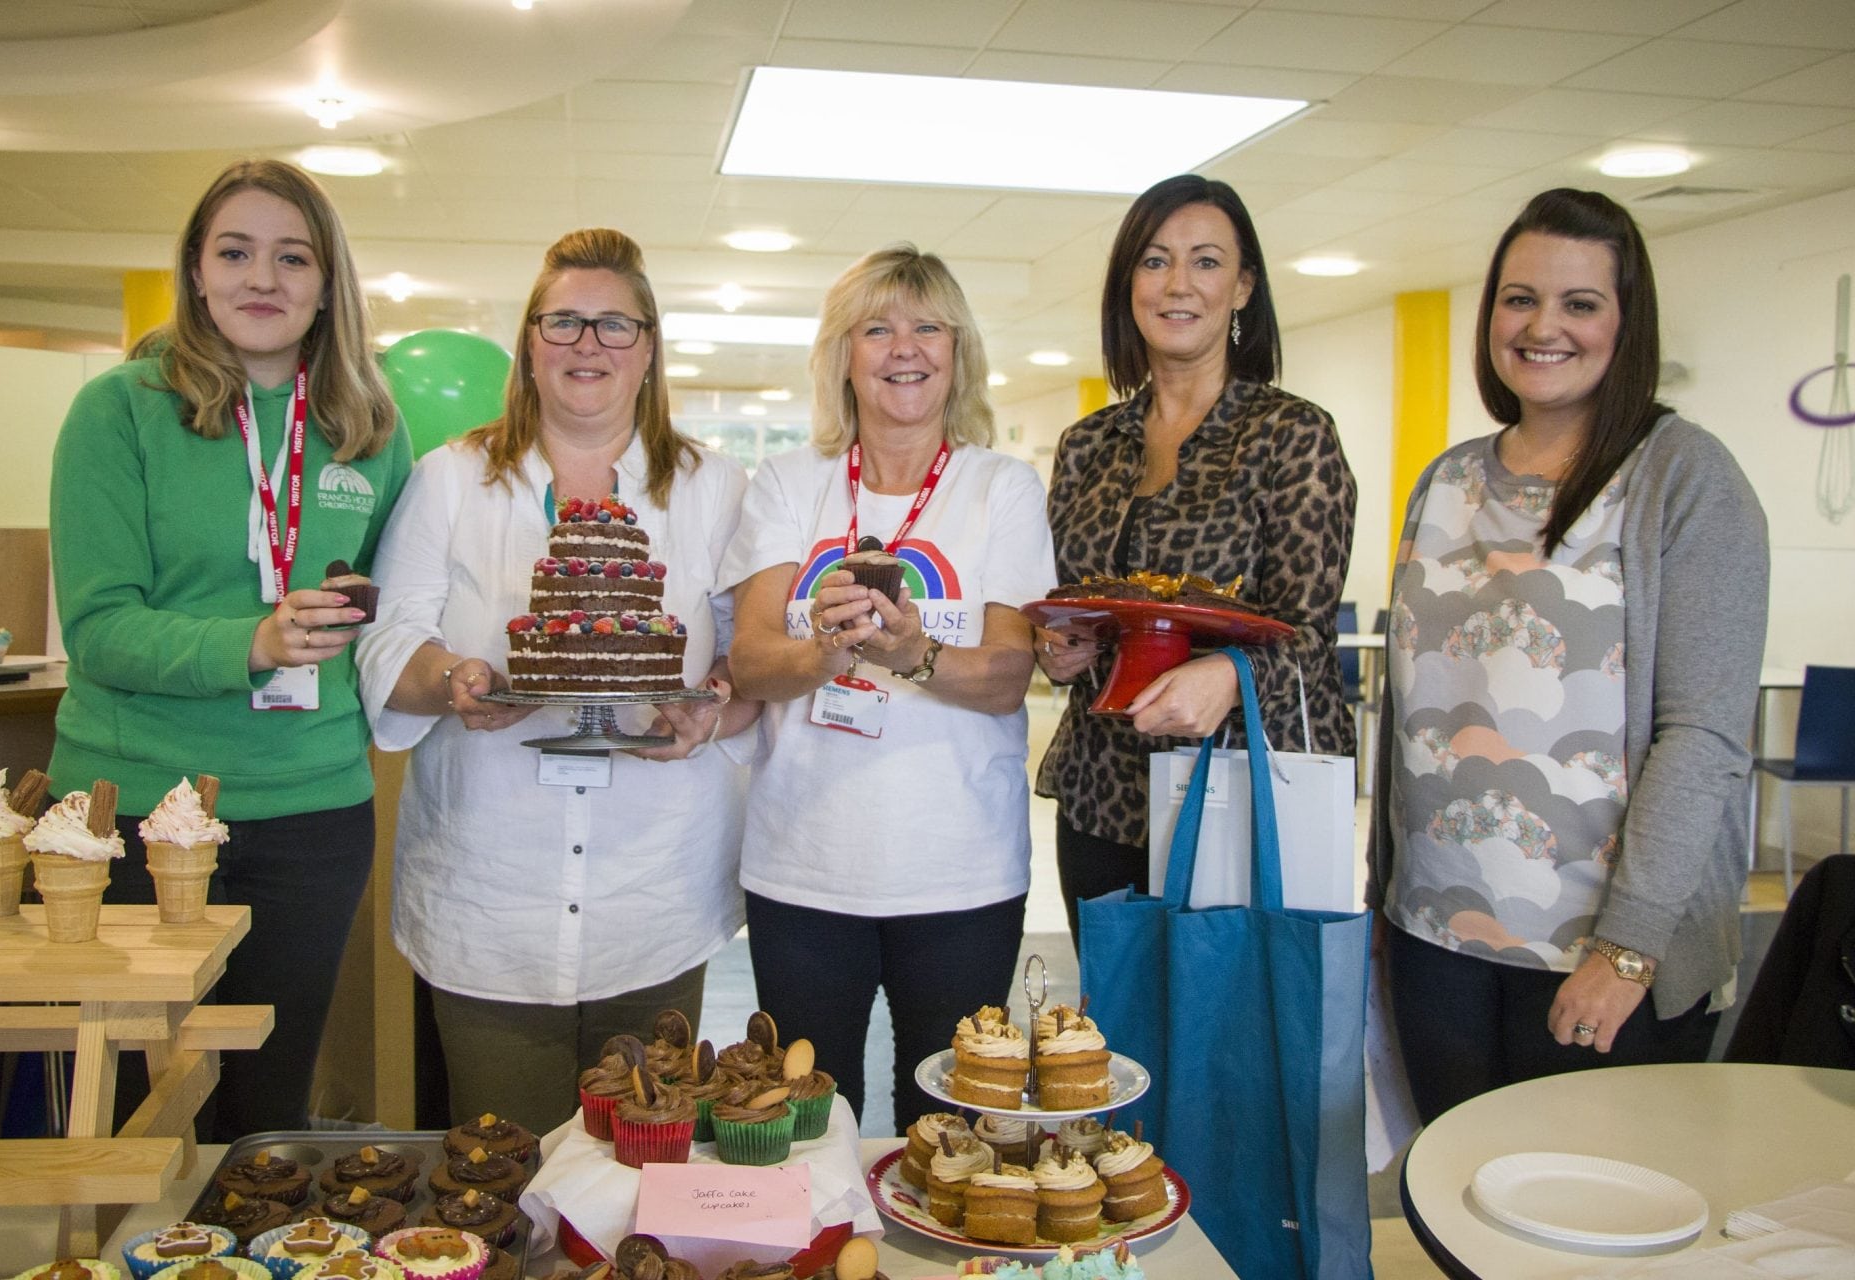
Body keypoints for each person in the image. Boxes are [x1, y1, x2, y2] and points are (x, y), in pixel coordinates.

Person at [1367, 188, 1769, 1123]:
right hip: (1435, 939)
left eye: (1579, 303)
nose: (1543, 326)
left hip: (1598, 960)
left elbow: (1702, 736)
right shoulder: (1448, 478)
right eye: (1519, 298)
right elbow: (1413, 704)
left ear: (1626, 323)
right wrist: (1385, 899)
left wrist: (1624, 952)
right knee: (1457, 1213)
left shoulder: (1683, 476)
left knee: (1580, 1238)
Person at [355, 228, 759, 1135]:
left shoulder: (716, 487)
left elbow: (749, 651)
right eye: (564, 322)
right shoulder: (453, 479)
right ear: (529, 344)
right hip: (488, 896)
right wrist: (454, 680)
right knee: (505, 1165)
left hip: (655, 886)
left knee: (638, 1160)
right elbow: (389, 638)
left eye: (615, 325)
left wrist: (713, 708)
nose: (589, 345)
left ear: (649, 348)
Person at [47, 159, 411, 1139]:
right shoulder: (120, 409)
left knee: (266, 1115)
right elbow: (99, 626)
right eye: (236, 252)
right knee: (136, 1122)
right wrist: (252, 639)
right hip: (133, 813)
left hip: (313, 809)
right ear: (197, 273)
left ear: (328, 282)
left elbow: (394, 609)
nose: (264, 278)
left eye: (293, 256)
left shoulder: (370, 428)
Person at [723, 244, 1055, 1131]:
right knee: (805, 1121)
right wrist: (834, 651)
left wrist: (910, 652)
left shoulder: (1002, 489)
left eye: (926, 327)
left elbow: (1006, 674)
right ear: (843, 355)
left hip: (960, 873)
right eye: (876, 328)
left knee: (946, 1125)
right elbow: (752, 660)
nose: (903, 348)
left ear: (959, 350)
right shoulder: (791, 484)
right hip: (804, 870)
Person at [1034, 174, 1356, 943]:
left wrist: (1231, 674)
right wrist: (1061, 647)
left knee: (1224, 1041)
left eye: (1206, 262)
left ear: (1244, 286)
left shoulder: (1291, 435)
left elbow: (1308, 638)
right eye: (1154, 261)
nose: (1178, 284)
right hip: (1102, 795)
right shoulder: (1088, 446)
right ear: (1128, 286)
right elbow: (1078, 603)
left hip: (1241, 796)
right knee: (1111, 1043)